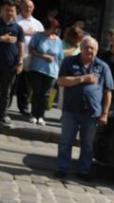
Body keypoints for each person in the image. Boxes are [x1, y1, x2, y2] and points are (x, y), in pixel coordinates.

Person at [54, 36, 113, 180]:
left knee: (87, 144)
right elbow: (61, 81)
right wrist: (82, 78)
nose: (89, 50)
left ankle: (84, 171)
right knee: (66, 141)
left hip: (92, 113)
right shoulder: (69, 61)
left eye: (92, 48)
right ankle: (62, 168)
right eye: (86, 47)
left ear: (97, 51)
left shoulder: (102, 66)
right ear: (81, 48)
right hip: (71, 110)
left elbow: (108, 91)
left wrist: (105, 113)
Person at [26, 17, 61, 125]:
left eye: (56, 28)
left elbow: (60, 57)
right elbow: (31, 50)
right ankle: (33, 114)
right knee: (36, 92)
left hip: (52, 71)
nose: (55, 30)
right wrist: (43, 56)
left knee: (45, 94)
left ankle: (41, 116)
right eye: (53, 28)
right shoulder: (38, 36)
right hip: (37, 68)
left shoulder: (58, 40)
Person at [15, 0, 42, 117]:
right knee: (9, 85)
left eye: (30, 7)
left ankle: (23, 108)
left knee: (25, 86)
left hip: (29, 59)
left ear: (33, 8)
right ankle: (4, 108)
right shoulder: (15, 19)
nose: (28, 8)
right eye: (25, 6)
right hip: (13, 57)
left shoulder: (37, 24)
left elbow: (42, 40)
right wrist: (25, 33)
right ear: (20, 6)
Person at [0, 0, 24, 128]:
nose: (9, 12)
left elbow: (21, 45)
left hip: (10, 65)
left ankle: (3, 114)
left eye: (12, 10)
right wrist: (2, 38)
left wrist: (20, 62)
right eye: (7, 10)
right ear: (1, 10)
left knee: (6, 91)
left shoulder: (17, 28)